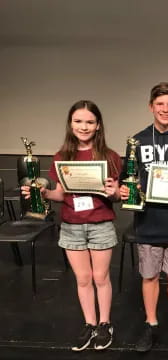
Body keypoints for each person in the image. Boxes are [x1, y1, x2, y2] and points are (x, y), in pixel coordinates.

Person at [21, 100, 122, 351]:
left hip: (100, 223)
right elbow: (60, 194)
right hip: (72, 225)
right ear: (70, 123)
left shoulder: (109, 156)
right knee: (83, 279)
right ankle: (89, 323)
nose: (84, 126)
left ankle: (104, 324)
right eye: (78, 121)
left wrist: (114, 192)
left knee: (100, 277)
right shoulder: (61, 156)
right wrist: (42, 193)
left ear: (98, 125)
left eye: (89, 122)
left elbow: (118, 195)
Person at [119, 82, 168, 352]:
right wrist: (124, 190)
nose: (165, 109)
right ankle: (151, 323)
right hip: (148, 222)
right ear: (151, 106)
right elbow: (125, 181)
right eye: (160, 104)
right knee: (150, 276)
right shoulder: (137, 140)